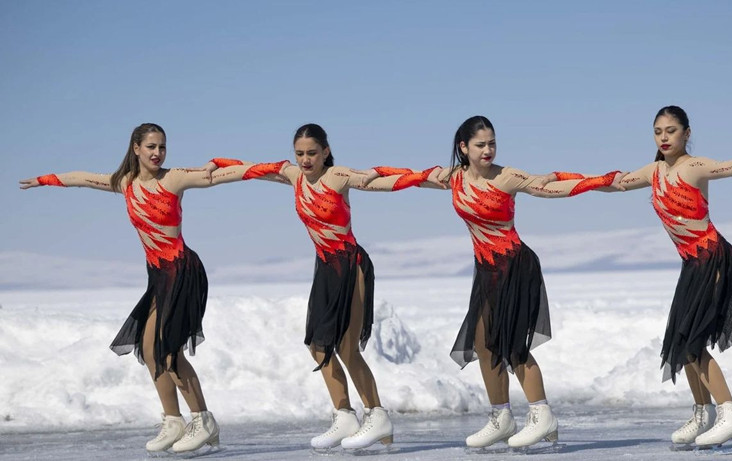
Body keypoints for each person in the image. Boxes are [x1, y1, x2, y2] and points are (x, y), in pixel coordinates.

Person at [18, 123, 283, 454]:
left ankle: (203, 421)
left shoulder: (174, 179)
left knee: (169, 351)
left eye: (162, 147)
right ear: (136, 149)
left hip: (183, 271)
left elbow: (225, 177)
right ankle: (174, 421)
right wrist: (46, 180)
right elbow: (83, 178)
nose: (157, 153)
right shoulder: (124, 184)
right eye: (151, 147)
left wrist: (274, 168)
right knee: (148, 349)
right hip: (158, 275)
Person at [369, 115, 621, 450]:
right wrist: (373, 174)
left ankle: (542, 413)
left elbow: (551, 189)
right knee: (484, 343)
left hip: (515, 265)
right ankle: (501, 417)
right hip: (487, 270)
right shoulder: (453, 178)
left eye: (492, 143)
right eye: (480, 144)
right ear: (463, 147)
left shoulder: (506, 177)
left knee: (513, 345)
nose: (488, 150)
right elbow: (411, 178)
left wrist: (598, 181)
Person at [205, 123, 438, 451]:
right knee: (318, 346)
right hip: (325, 268)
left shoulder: (338, 176)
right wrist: (218, 163)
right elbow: (252, 170)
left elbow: (379, 182)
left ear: (326, 151)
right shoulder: (293, 176)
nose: (305, 159)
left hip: (350, 265)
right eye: (299, 153)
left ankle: (377, 413)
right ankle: (344, 415)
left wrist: (430, 177)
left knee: (346, 347)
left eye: (312, 153)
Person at [611, 105, 732, 448]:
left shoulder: (694, 167)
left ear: (686, 133)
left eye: (671, 130)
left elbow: (728, 167)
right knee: (682, 343)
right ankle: (704, 414)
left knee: (694, 341)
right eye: (658, 131)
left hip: (713, 258)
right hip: (691, 264)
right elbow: (617, 184)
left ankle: (730, 412)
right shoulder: (653, 171)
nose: (664, 137)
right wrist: (568, 180)